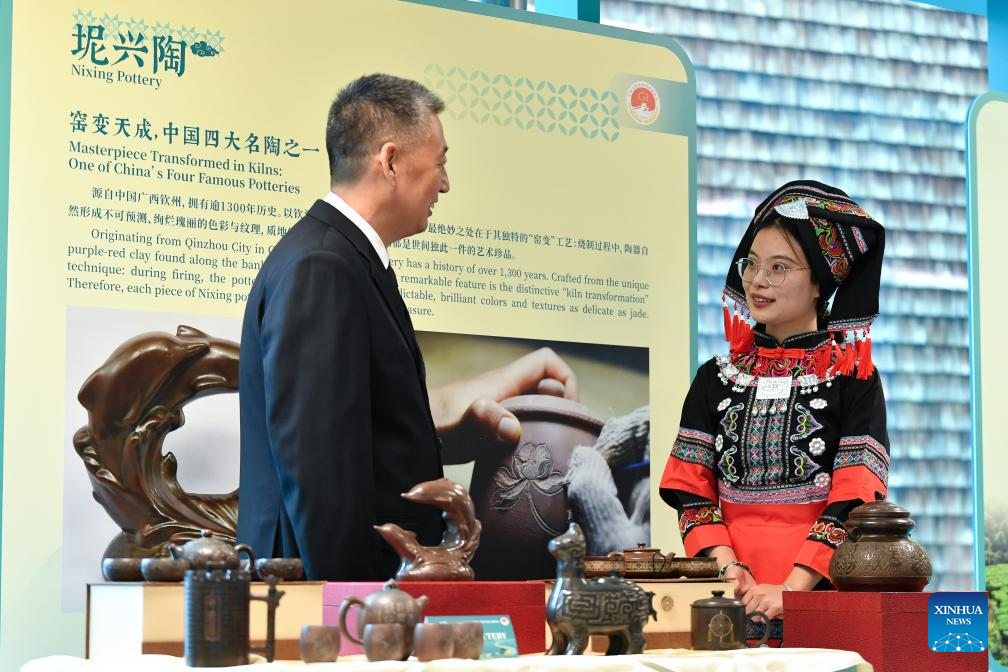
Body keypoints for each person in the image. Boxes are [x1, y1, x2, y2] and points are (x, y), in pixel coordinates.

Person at [237, 74, 576, 580]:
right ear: (391, 161)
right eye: (440, 162)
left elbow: (366, 431)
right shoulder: (322, 268)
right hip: (329, 601)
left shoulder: (345, 259)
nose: (445, 183)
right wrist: (360, 612)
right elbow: (322, 480)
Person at [660, 180, 889, 622]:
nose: (757, 281)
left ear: (820, 282)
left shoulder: (853, 377)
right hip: (729, 596)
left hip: (819, 595)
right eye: (752, 264)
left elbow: (858, 493)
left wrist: (792, 590)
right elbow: (690, 487)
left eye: (779, 267)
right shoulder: (715, 377)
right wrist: (727, 570)